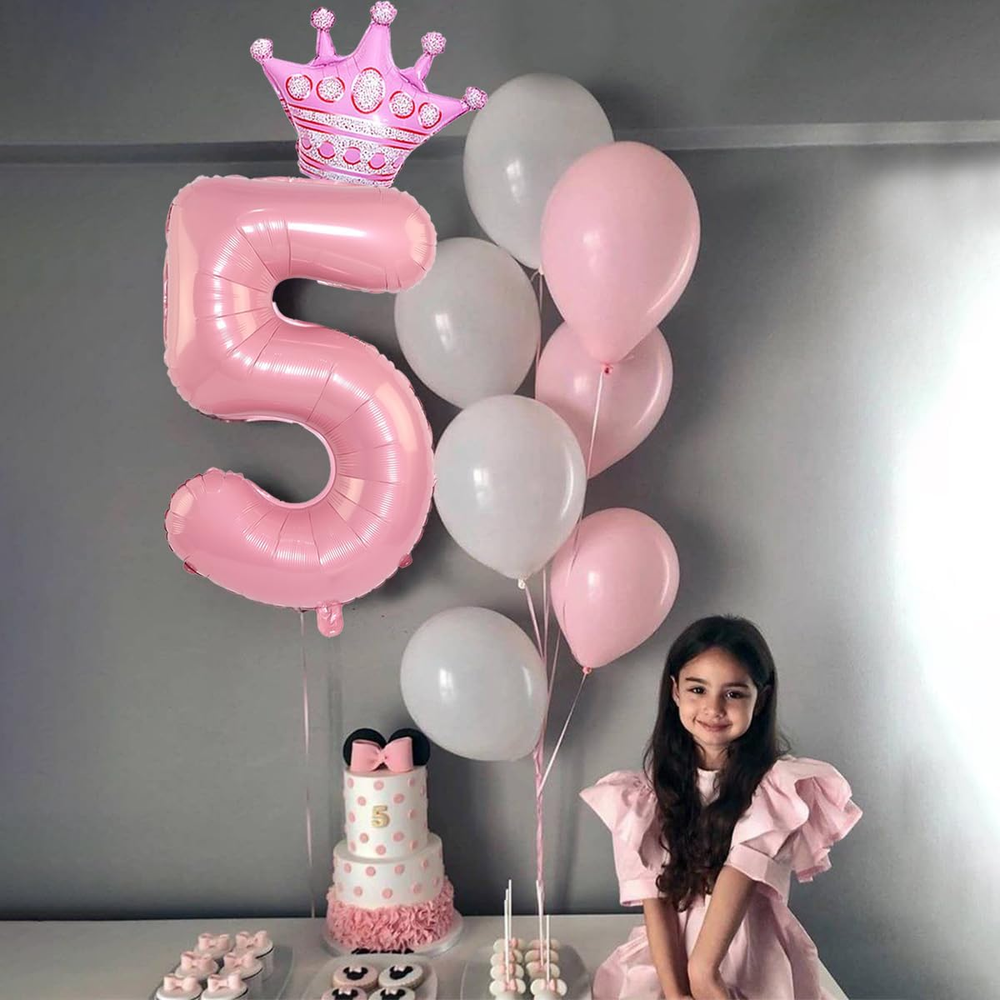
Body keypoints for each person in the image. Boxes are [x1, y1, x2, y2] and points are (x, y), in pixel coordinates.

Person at [581, 615, 861, 1000]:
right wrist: (676, 992)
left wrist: (702, 977)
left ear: (760, 700)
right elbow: (656, 903)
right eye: (698, 689)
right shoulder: (643, 797)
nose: (713, 708)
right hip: (673, 955)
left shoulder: (776, 792)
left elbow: (706, 964)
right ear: (675, 691)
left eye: (733, 694)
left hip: (746, 955)